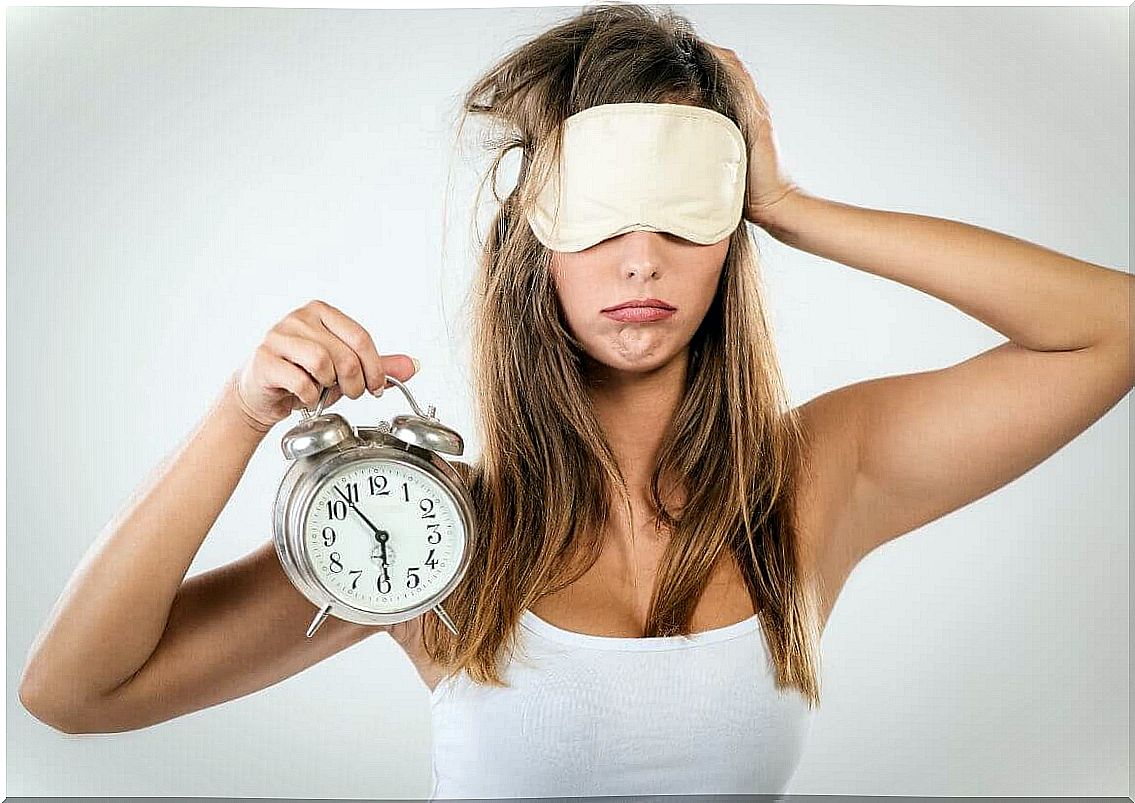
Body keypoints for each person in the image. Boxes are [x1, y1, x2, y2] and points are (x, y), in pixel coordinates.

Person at [18, 3, 1132, 799]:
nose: (639, 259)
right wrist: (237, 416)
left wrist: (792, 202)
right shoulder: (428, 533)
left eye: (683, 207)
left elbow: (1111, 328)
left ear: (728, 232)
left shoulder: (814, 480)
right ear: (532, 242)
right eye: (598, 212)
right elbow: (75, 692)